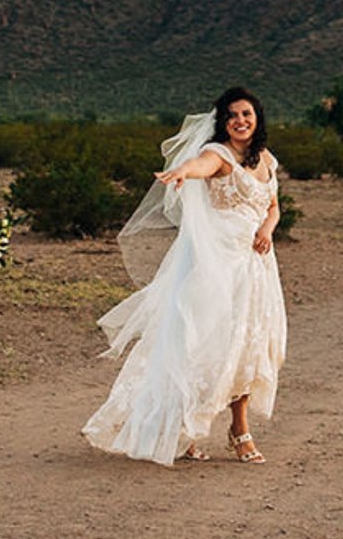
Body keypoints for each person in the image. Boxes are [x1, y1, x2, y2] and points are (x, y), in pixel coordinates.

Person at [83, 86, 288, 466]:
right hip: (218, 264)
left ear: (257, 117)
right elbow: (202, 166)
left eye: (246, 114)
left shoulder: (267, 161)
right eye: (231, 115)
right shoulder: (218, 155)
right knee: (206, 346)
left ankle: (239, 429)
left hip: (255, 266)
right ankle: (185, 427)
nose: (239, 121)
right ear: (222, 122)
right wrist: (182, 171)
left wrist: (268, 229)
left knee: (248, 347)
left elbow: (272, 206)